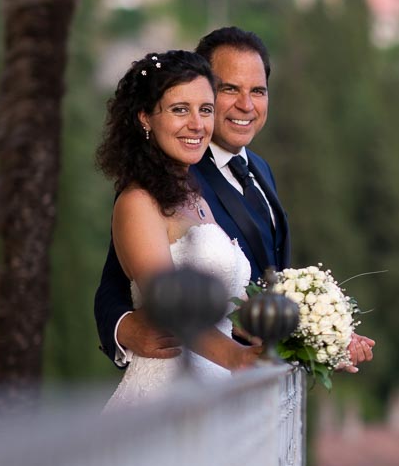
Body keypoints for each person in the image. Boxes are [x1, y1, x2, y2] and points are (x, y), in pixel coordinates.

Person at [92, 26, 375, 370]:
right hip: (187, 372)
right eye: (229, 89)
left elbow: (245, 299)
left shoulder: (259, 170)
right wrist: (122, 327)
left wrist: (323, 337)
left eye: (258, 91)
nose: (246, 105)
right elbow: (120, 282)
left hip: (253, 380)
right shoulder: (157, 182)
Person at [96, 49, 263, 410]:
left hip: (216, 393)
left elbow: (235, 306)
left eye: (205, 110)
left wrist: (315, 332)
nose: (197, 124)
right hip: (167, 395)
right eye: (179, 109)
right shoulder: (138, 202)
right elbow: (171, 306)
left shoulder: (196, 198)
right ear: (145, 118)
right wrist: (237, 358)